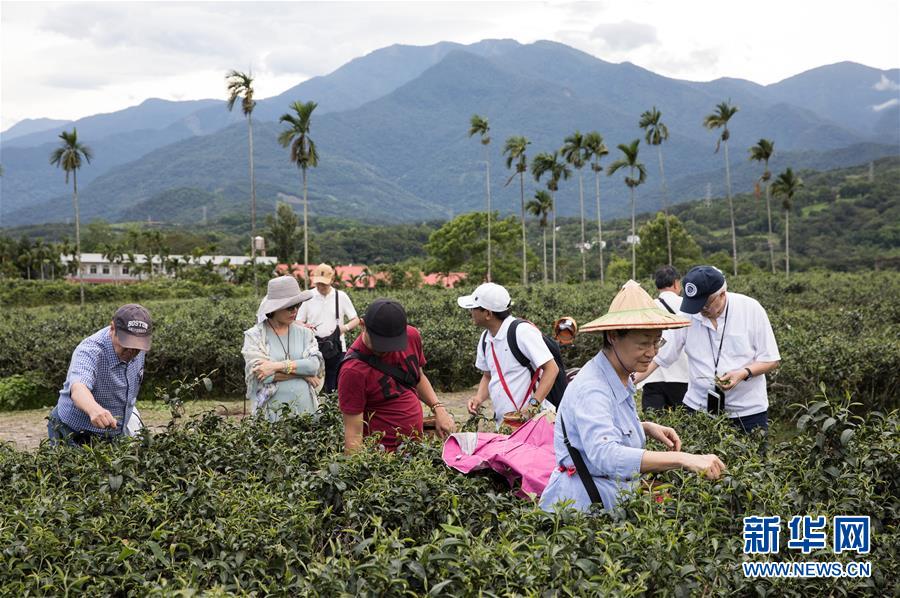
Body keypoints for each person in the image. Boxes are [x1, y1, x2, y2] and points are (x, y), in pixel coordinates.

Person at [540, 281, 726, 513]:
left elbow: (598, 426)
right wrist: (683, 459)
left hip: (609, 498)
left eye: (656, 342)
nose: (652, 352)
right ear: (613, 336)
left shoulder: (620, 374)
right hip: (583, 509)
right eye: (643, 344)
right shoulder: (592, 387)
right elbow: (605, 455)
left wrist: (643, 427)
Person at [634, 266, 781, 434]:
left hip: (747, 412)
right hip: (699, 409)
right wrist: (626, 381)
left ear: (722, 294)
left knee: (752, 458)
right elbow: (659, 358)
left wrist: (743, 373)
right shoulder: (688, 314)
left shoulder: (751, 309)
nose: (700, 311)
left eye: (705, 305)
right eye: (695, 305)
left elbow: (771, 359)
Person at [338, 298, 455, 453]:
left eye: (392, 343)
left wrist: (438, 409)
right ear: (362, 325)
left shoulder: (412, 336)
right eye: (380, 343)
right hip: (383, 459)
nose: (386, 350)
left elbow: (417, 376)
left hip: (415, 447)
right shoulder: (352, 371)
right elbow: (353, 433)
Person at [48, 304, 154, 446]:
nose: (132, 350)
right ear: (112, 328)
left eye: (137, 345)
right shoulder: (90, 350)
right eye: (127, 343)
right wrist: (94, 409)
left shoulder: (136, 351)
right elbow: (78, 387)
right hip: (73, 431)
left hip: (114, 432)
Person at [458, 283, 559, 429]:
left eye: (474, 308)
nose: (470, 312)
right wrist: (478, 398)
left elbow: (551, 369)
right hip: (506, 423)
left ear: (487, 313)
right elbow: (488, 375)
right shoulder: (486, 338)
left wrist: (532, 406)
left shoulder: (521, 332)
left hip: (535, 422)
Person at [243, 276, 324, 421]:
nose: (295, 311)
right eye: (289, 307)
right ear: (275, 308)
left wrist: (275, 366)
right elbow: (262, 375)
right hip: (271, 413)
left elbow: (313, 367)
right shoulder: (255, 336)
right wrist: (302, 374)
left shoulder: (305, 333)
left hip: (306, 410)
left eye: (298, 305)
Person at [296, 263, 360, 393]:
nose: (321, 286)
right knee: (314, 385)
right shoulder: (308, 296)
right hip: (313, 346)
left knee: (335, 384)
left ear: (332, 280)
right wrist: (305, 326)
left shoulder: (340, 296)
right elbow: (297, 320)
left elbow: (355, 319)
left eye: (324, 283)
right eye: (318, 283)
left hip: (336, 347)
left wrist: (344, 328)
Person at [638, 266, 690, 411]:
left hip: (651, 375)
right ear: (676, 283)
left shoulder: (648, 308)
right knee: (684, 427)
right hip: (682, 375)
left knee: (653, 424)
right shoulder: (686, 306)